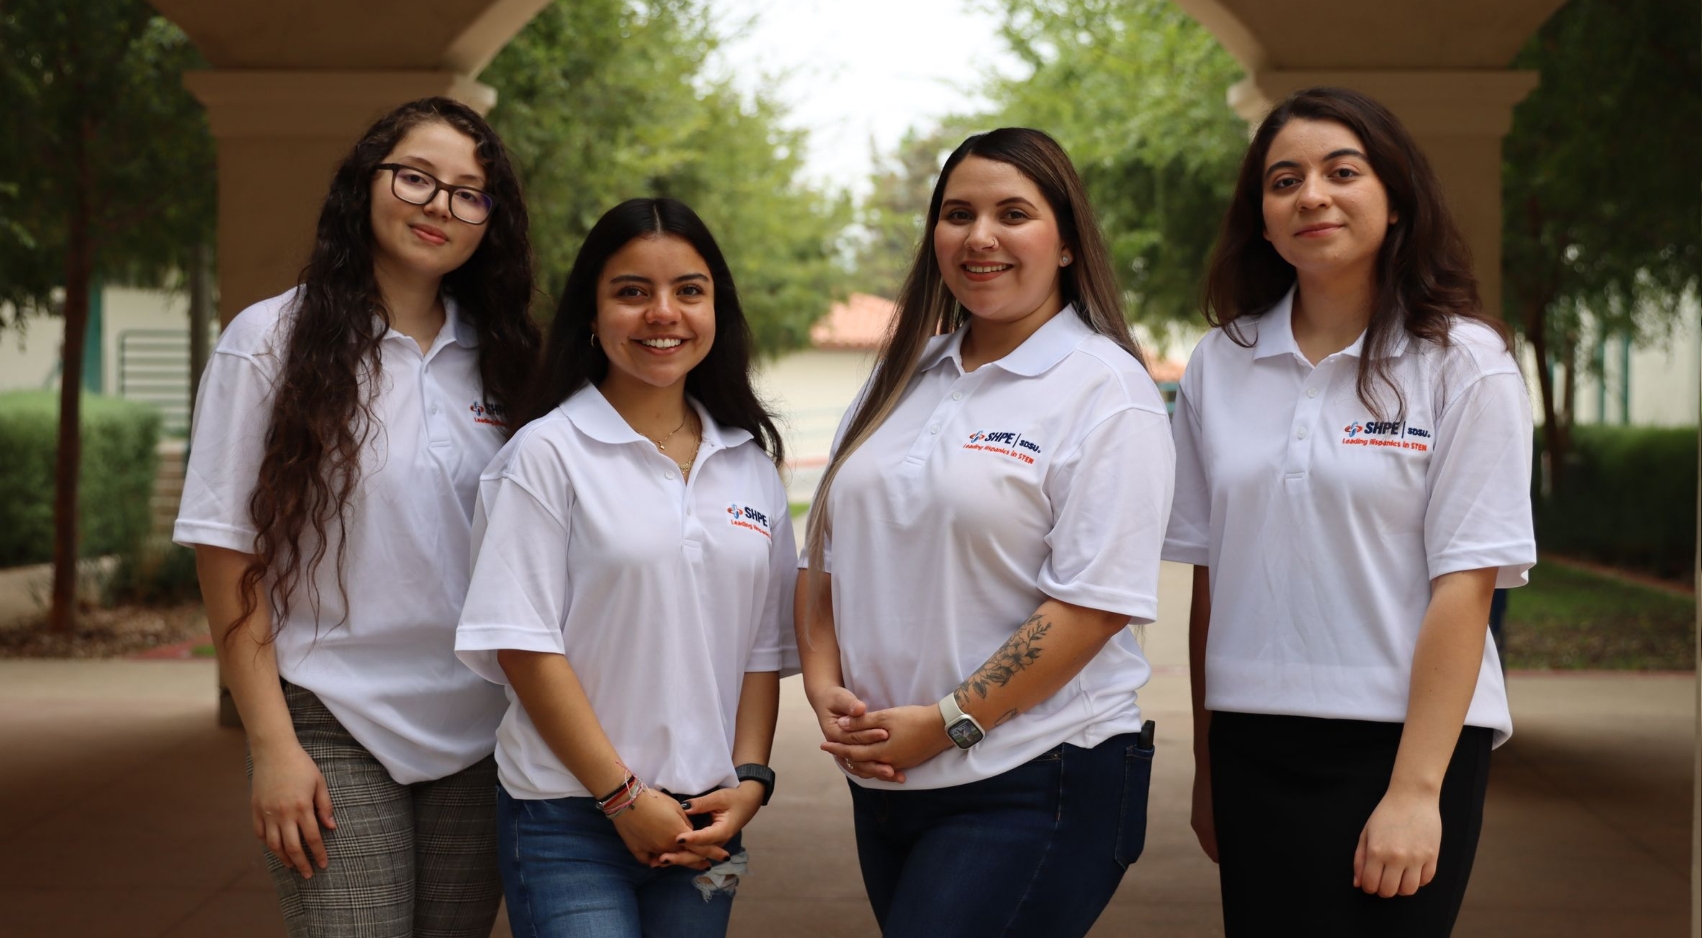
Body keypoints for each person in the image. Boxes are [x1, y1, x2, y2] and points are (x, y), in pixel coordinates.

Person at [1167, 86, 1536, 936]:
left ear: (1395, 197)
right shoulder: (1221, 364)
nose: (1312, 196)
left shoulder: (1463, 361)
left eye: (1342, 171)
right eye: (1283, 180)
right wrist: (1208, 767)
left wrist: (1415, 790)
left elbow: (1467, 582)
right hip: (1255, 738)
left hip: (1405, 741)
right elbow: (1212, 575)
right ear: (1262, 218)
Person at [174, 97, 540, 937]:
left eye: (467, 191)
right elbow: (227, 554)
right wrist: (271, 746)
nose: (438, 204)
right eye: (416, 177)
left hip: (481, 728)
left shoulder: (509, 358)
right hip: (331, 715)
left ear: (492, 221)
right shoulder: (269, 341)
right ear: (366, 184)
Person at [796, 128, 1175, 938]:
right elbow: (825, 559)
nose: (980, 237)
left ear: (1067, 241)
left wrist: (947, 722)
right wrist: (826, 689)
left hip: (1038, 775)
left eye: (1013, 213)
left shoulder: (1107, 393)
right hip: (889, 782)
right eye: (958, 213)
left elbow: (1093, 605)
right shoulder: (900, 375)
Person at [454, 197, 797, 938]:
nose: (662, 313)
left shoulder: (750, 466)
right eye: (632, 291)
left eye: (689, 291)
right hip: (568, 817)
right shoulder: (547, 456)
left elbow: (761, 652)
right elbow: (524, 644)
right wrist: (620, 796)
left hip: (707, 821)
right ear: (592, 312)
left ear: (717, 310)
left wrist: (751, 781)